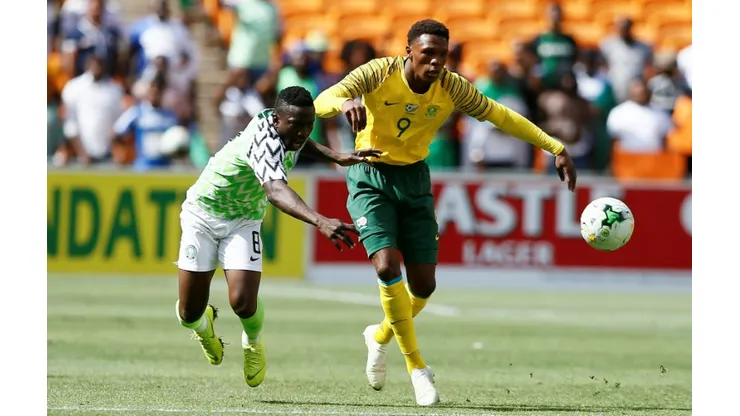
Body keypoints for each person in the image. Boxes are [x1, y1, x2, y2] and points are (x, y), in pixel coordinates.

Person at [313, 19, 577, 406]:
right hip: (369, 175)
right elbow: (323, 100)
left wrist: (554, 146)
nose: (436, 62)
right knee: (386, 266)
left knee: (423, 287)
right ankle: (417, 369)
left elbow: (501, 116)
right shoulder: (378, 72)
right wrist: (344, 102)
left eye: (442, 55)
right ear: (409, 52)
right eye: (428, 54)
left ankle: (379, 335)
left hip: (415, 180)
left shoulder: (452, 87)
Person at [174, 86, 381, 389]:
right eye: (296, 125)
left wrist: (334, 155)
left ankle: (252, 342)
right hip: (202, 214)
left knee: (243, 302)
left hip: (244, 219)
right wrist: (320, 220)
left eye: (309, 124)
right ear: (276, 121)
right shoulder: (265, 142)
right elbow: (275, 191)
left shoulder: (284, 125)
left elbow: (300, 142)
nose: (302, 132)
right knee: (188, 313)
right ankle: (204, 327)